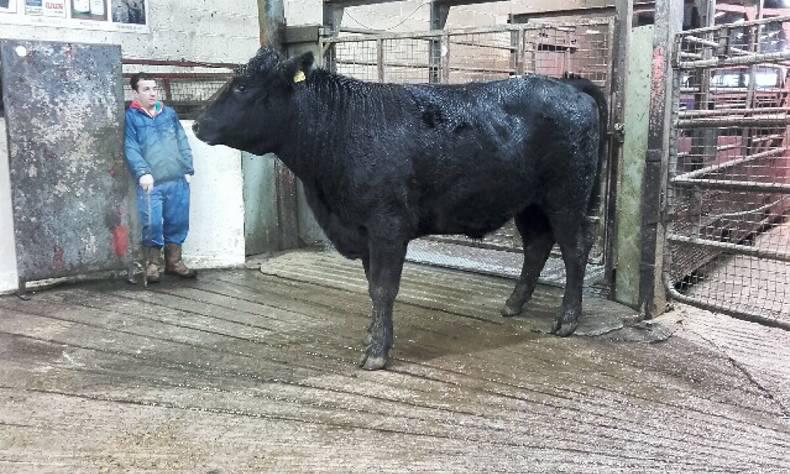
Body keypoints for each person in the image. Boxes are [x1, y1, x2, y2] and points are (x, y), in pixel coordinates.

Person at [124, 72, 196, 282]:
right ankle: (152, 265)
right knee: (152, 223)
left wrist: (187, 169)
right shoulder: (131, 117)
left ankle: (174, 262)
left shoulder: (169, 113)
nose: (152, 93)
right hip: (151, 183)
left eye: (154, 88)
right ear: (135, 93)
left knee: (178, 221)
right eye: (146, 89)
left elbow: (182, 140)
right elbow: (131, 147)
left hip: (177, 179)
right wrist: (142, 172)